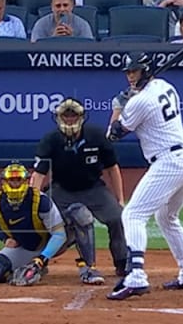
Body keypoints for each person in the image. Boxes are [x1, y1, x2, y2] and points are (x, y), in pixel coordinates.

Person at [106, 53, 183, 299]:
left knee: (133, 214)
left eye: (135, 71)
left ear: (145, 71)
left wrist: (119, 106)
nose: (130, 76)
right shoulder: (165, 86)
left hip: (169, 162)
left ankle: (137, 276)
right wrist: (130, 99)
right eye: (128, 72)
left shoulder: (140, 102)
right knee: (167, 217)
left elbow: (113, 134)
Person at [30, 98, 127, 283]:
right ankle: (38, 263)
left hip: (93, 188)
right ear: (58, 118)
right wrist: (35, 202)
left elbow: (112, 168)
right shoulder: (51, 139)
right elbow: (39, 173)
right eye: (65, 116)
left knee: (117, 218)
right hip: (62, 189)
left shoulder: (97, 136)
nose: (69, 119)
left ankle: (122, 262)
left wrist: (119, 199)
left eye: (73, 115)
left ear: (81, 117)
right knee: (41, 221)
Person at [0, 163, 68, 287]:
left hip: (55, 243)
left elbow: (59, 235)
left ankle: (88, 269)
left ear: (26, 181)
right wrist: (4, 238)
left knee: (81, 217)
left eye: (19, 180)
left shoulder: (41, 201)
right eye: (12, 180)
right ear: (4, 182)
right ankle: (27, 268)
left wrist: (41, 259)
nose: (15, 184)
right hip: (27, 247)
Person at [29, 0, 94, 41]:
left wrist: (72, 39)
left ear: (72, 6)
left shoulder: (83, 25)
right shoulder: (41, 24)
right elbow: (35, 50)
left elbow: (89, 49)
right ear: (52, 7)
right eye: (58, 6)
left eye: (65, 5)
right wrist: (53, 39)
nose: (62, 9)